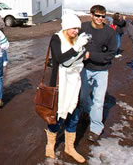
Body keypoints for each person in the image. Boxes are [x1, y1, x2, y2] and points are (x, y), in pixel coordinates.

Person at [44, 13, 90, 162]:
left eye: (78, 28)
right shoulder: (56, 38)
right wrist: (76, 48)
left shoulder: (78, 39)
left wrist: (84, 52)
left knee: (74, 115)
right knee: (55, 117)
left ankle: (69, 147)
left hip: (75, 82)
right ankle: (50, 145)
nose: (76, 31)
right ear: (66, 27)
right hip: (59, 83)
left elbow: (80, 58)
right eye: (73, 28)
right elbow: (59, 58)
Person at [71, 4, 116, 143]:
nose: (100, 18)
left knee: (99, 100)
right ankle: (91, 113)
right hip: (84, 69)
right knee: (83, 97)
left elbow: (111, 53)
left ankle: (96, 128)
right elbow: (72, 41)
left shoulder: (110, 32)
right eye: (97, 15)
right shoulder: (83, 28)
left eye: (102, 16)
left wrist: (91, 55)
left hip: (101, 71)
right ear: (91, 15)